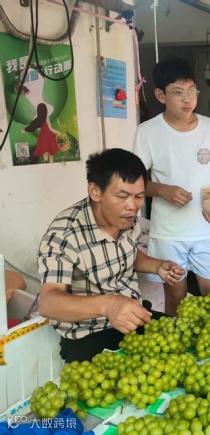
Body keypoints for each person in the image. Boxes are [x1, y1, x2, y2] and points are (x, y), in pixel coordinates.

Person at [37, 148, 186, 363]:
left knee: (185, 346)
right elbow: (48, 303)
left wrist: (157, 266)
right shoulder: (64, 234)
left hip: (134, 317)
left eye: (139, 197)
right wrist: (109, 306)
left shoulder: (126, 218)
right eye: (122, 196)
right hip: (89, 333)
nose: (132, 206)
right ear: (95, 191)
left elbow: (127, 254)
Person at [133, 56, 210, 315]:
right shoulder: (148, 132)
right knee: (176, 300)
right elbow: (135, 182)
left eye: (191, 91)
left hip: (205, 230)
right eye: (178, 92)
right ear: (161, 95)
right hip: (169, 233)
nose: (187, 99)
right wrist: (161, 190)